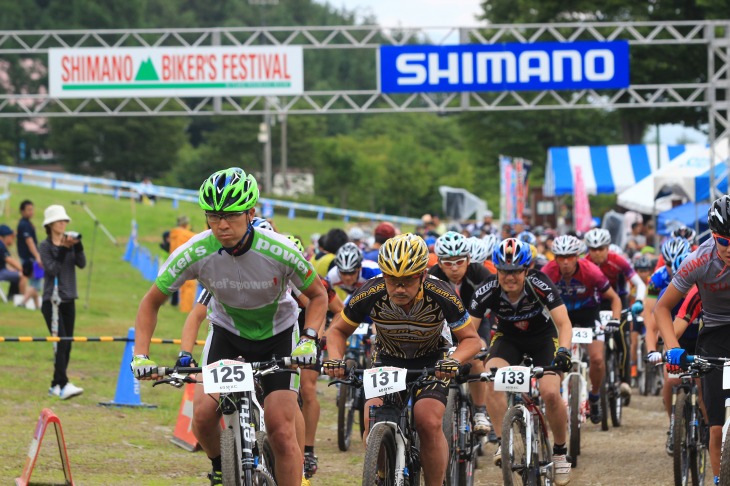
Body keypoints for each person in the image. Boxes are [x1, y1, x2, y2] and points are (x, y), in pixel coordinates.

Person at [131, 167, 328, 486]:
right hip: (228, 335)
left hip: (278, 335)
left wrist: (308, 338)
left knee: (280, 428)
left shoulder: (278, 249)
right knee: (203, 415)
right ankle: (221, 466)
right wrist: (141, 355)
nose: (222, 225)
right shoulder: (195, 251)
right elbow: (150, 302)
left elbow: (318, 295)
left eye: (232, 216)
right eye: (213, 216)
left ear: (251, 212)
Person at [324, 233, 481, 486]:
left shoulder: (441, 292)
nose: (398, 288)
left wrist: (453, 361)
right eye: (392, 280)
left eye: (407, 281)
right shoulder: (371, 291)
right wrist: (334, 359)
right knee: (370, 418)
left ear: (421, 276)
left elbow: (472, 340)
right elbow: (337, 330)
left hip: (432, 361)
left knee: (427, 420)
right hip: (388, 359)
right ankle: (384, 473)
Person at [468, 238, 573, 486]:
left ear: (526, 270)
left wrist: (565, 351)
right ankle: (503, 442)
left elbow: (564, 323)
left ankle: (559, 452)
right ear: (497, 270)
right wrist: (473, 352)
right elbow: (469, 331)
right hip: (508, 339)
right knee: (491, 378)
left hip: (543, 339)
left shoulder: (539, 284)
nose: (510, 277)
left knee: (549, 392)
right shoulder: (487, 288)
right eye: (504, 271)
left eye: (516, 271)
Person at [655, 195, 730, 485]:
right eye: (723, 241)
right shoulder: (698, 259)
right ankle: (717, 479)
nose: (729, 248)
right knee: (715, 428)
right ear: (713, 236)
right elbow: (661, 307)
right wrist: (672, 347)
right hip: (713, 336)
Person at [542, 235, 622, 425]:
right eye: (561, 257)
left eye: (570, 256)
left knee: (597, 359)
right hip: (560, 315)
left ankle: (594, 396)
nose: (566, 262)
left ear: (578, 256)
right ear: (555, 258)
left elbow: (615, 299)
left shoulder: (591, 271)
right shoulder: (547, 272)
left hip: (587, 314)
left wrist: (615, 320)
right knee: (553, 358)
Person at [429, 231, 493, 434]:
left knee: (476, 355)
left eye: (459, 261)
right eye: (448, 263)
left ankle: (480, 411)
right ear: (439, 263)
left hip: (474, 325)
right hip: (443, 327)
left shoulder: (480, 274)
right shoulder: (431, 277)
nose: (454, 268)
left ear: (468, 259)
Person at [583, 228, 647, 400]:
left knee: (620, 335)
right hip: (595, 304)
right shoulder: (584, 263)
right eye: (593, 249)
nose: (597, 253)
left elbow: (639, 284)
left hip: (619, 302)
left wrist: (639, 301)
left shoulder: (618, 261)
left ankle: (625, 381)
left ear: (608, 247)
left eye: (601, 249)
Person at [38, 205, 86, 400]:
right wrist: (64, 250)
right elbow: (52, 269)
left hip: (69, 299)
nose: (63, 224)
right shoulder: (45, 246)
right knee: (61, 343)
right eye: (59, 221)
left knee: (67, 344)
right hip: (52, 301)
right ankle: (63, 383)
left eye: (65, 221)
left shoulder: (70, 243)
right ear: (50, 225)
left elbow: (81, 264)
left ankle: (56, 384)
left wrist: (77, 246)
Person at [0, 224, 35, 305]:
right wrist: (24, 270)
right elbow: (10, 260)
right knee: (23, 275)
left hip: (2, 271)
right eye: (10, 236)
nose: (12, 238)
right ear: (4, 236)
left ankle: (11, 297)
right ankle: (22, 300)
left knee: (16, 273)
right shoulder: (0, 245)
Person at [16, 199, 42, 308]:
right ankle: (22, 303)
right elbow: (29, 241)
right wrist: (37, 257)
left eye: (32, 209)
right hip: (30, 258)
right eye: (28, 210)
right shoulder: (25, 225)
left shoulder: (26, 223)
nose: (31, 212)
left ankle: (37, 307)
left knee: (33, 283)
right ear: (22, 211)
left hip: (27, 257)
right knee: (36, 284)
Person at [168, 215, 196, 312]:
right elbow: (198, 239)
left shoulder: (174, 233)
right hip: (187, 261)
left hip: (175, 261)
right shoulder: (184, 233)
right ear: (185, 224)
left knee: (182, 287)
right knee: (189, 286)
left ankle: (183, 307)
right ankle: (186, 309)